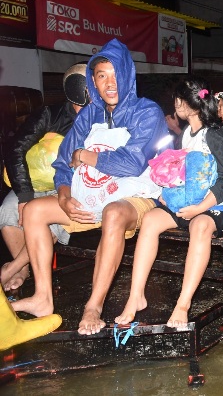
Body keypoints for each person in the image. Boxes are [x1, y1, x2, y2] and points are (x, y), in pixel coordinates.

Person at [11, 38, 170, 335]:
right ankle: (43, 298)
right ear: (92, 82)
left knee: (112, 212)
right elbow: (62, 163)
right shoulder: (88, 115)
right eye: (101, 76)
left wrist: (84, 155)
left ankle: (93, 306)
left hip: (136, 195)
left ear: (126, 75)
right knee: (33, 211)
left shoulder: (146, 112)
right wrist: (63, 195)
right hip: (89, 196)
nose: (110, 83)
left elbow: (132, 163)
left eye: (114, 74)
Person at [115, 75, 223, 329]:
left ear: (184, 103)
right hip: (195, 198)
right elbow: (184, 174)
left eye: (176, 100)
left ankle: (183, 304)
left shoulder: (214, 135)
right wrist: (165, 192)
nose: (175, 105)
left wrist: (199, 209)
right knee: (151, 219)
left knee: (199, 225)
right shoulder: (187, 134)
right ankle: (136, 296)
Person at [0, 62, 90, 291]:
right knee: (8, 210)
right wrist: (24, 195)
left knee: (45, 218)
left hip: (71, 189)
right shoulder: (50, 114)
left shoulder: (100, 122)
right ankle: (24, 270)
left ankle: (12, 269)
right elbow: (15, 150)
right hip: (35, 184)